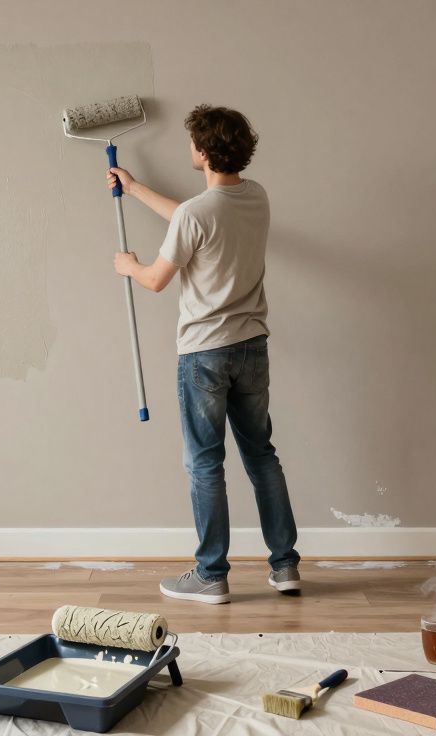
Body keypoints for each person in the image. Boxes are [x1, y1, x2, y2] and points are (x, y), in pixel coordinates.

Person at [108, 104, 301, 604]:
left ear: (203, 151)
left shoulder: (199, 214)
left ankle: (211, 575)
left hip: (205, 355)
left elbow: (155, 279)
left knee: (205, 464)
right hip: (251, 348)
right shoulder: (254, 197)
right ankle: (285, 568)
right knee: (261, 455)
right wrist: (133, 188)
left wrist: (129, 266)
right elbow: (194, 219)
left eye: (192, 141)